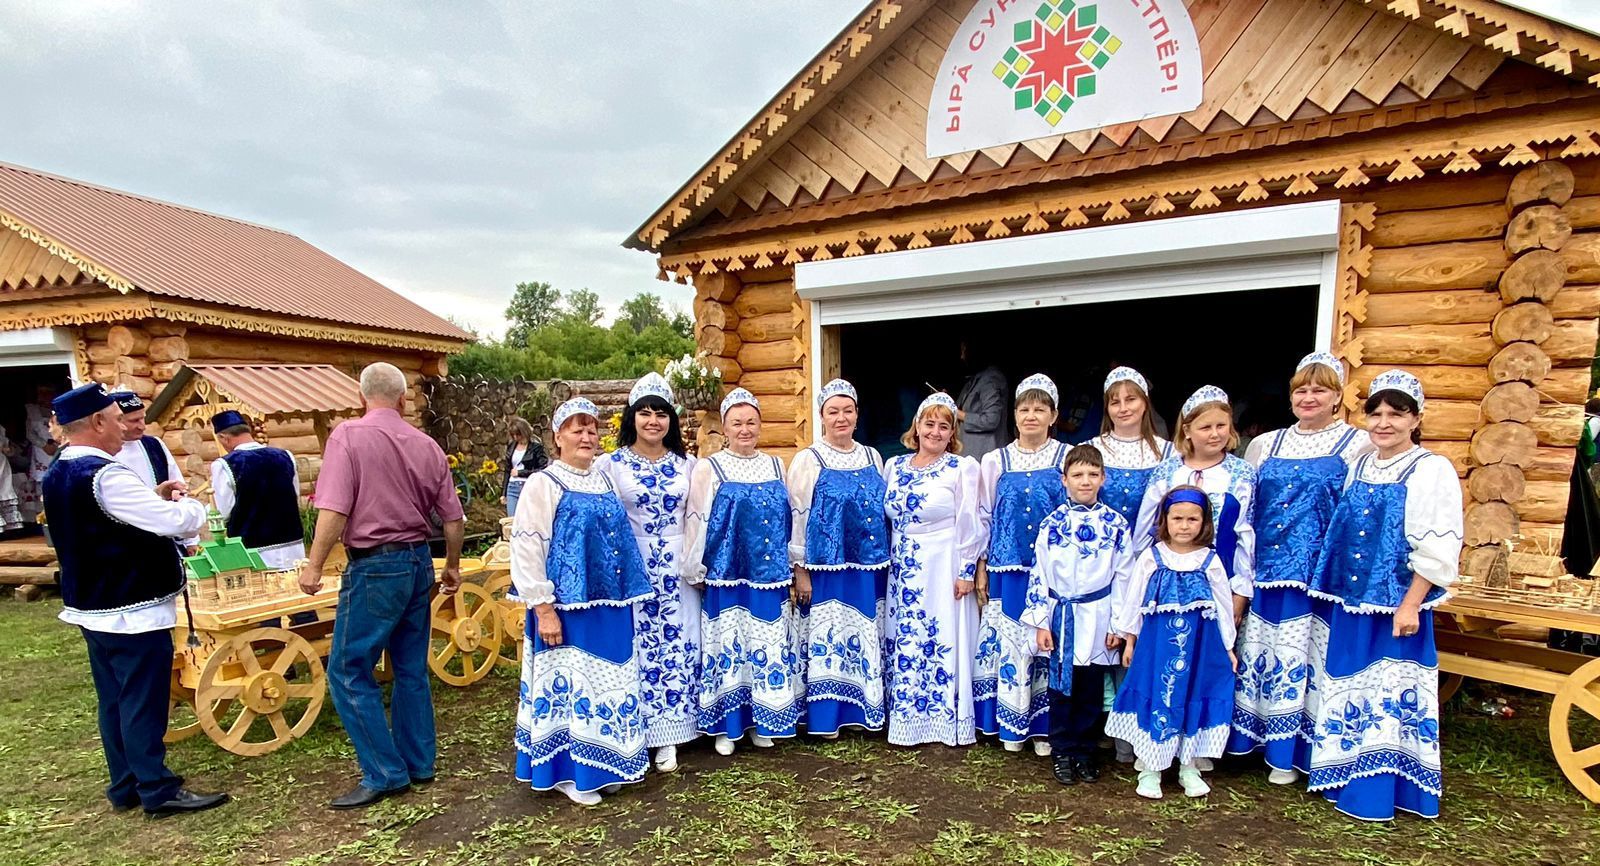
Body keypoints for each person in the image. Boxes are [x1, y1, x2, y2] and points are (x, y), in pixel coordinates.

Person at [43, 382, 229, 817]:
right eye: (113, 418)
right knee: (142, 699)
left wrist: (152, 498)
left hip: (92, 604)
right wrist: (194, 512)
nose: (121, 429)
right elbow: (169, 522)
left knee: (114, 698)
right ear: (97, 422)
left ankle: (126, 782)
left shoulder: (57, 471)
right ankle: (156, 788)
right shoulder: (103, 474)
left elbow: (110, 520)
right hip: (132, 604)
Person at [298, 363, 464, 810]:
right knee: (410, 668)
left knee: (349, 669)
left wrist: (313, 566)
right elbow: (453, 518)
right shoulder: (427, 444)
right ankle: (418, 763)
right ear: (403, 400)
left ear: (361, 396)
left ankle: (385, 773)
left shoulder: (348, 436)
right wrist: (450, 566)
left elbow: (333, 508)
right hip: (417, 562)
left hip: (375, 565)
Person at [1305, 370, 1461, 822]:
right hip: (1353, 599)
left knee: (1390, 691)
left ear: (1416, 418)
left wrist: (1412, 602)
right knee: (1352, 685)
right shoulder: (1360, 463)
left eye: (1396, 414)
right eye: (1376, 414)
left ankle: (1380, 792)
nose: (1383, 423)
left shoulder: (1431, 468)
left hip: (1394, 602)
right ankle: (1347, 776)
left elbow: (1438, 543)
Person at [1228, 353, 1370, 784]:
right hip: (1265, 568)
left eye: (1319, 389)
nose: (1309, 397)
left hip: (1315, 573)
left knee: (1306, 656)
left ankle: (1293, 753)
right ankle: (1254, 741)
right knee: (1262, 652)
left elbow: (1354, 515)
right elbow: (1244, 510)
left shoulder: (1356, 444)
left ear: (1337, 395)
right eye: (1301, 390)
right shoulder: (1264, 444)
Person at [511, 398, 653, 805]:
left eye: (592, 429)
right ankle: (572, 773)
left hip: (611, 602)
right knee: (574, 684)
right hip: (568, 608)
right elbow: (528, 546)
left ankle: (606, 763)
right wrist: (543, 607)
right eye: (577, 429)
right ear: (557, 437)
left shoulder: (604, 480)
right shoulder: (545, 483)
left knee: (610, 681)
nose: (587, 436)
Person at [684, 388, 801, 755]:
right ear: (726, 427)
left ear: (760, 425)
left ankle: (764, 719)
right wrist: (695, 566)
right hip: (727, 571)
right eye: (737, 422)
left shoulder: (775, 465)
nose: (745, 429)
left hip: (768, 573)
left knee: (765, 642)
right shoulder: (710, 467)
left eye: (751, 421)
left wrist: (790, 559)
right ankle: (727, 726)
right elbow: (698, 520)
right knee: (728, 646)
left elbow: (789, 517)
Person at [597, 373, 700, 773]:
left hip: (677, 563)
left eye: (661, 414)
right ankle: (639, 729)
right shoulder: (611, 465)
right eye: (645, 413)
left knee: (679, 640)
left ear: (671, 420)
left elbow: (698, 517)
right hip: (633, 564)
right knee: (641, 644)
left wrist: (696, 561)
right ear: (632, 417)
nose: (653, 421)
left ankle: (675, 733)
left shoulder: (688, 466)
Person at [1108, 486, 1239, 800]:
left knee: (1193, 694)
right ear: (1164, 520)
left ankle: (1188, 765)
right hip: (1156, 650)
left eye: (1192, 519)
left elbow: (1222, 606)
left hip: (1199, 650)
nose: (1184, 525)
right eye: (1177, 518)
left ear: (1204, 522)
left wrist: (1229, 647)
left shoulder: (1210, 561)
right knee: (1159, 695)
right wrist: (1129, 641)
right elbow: (1133, 601)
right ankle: (1151, 767)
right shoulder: (1152, 559)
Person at [1022, 445, 1134, 786]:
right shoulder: (1052, 523)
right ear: (1065, 479)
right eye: (1077, 475)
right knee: (1061, 687)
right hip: (1062, 615)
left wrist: (1119, 625)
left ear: (1103, 478)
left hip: (1098, 615)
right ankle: (1062, 750)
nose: (1085, 481)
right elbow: (1039, 572)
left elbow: (1124, 577)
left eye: (1092, 474)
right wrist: (1041, 620)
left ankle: (1086, 750)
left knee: (1089, 688)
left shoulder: (1115, 524)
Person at [786, 378, 890, 738]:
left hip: (868, 567)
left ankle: (864, 710)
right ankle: (827, 718)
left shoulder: (872, 456)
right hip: (826, 567)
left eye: (848, 410)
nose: (841, 417)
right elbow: (798, 517)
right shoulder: (808, 460)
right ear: (822, 416)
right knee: (830, 637)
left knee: (863, 634)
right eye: (834, 411)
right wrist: (800, 570)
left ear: (857, 415)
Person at [882, 392, 983, 746]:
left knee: (939, 634)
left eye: (945, 426)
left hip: (943, 563)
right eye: (930, 423)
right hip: (901, 564)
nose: (936, 432)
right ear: (917, 426)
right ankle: (906, 716)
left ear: (952, 432)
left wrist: (967, 570)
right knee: (906, 633)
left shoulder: (963, 468)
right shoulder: (893, 467)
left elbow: (972, 520)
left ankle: (941, 718)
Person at [975, 374, 1067, 755]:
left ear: (1053, 415)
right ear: (1014, 415)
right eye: (1024, 408)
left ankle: (1043, 727)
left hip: (1050, 572)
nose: (1032, 416)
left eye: (1040, 409)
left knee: (1044, 644)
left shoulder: (1066, 456)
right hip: (1007, 567)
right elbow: (984, 514)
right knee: (1012, 643)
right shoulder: (996, 459)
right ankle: (1008, 725)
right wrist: (980, 565)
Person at [1090, 367, 1172, 765]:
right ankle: (1106, 727)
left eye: (1131, 399)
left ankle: (1142, 728)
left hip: (1153, 564)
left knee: (1140, 646)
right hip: (1102, 565)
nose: (1123, 408)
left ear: (1145, 403)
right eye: (1115, 401)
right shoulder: (1093, 448)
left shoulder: (1167, 451)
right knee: (1104, 642)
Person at [1135, 386, 1256, 627]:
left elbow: (1246, 534)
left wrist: (1241, 591)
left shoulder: (1242, 474)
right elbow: (1144, 532)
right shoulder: (1167, 472)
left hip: (1219, 582)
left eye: (1221, 426)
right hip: (1168, 582)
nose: (1214, 434)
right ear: (1187, 430)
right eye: (1205, 427)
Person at [209, 410, 306, 568]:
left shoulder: (225, 465)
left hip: (254, 549)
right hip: (292, 544)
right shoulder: (285, 456)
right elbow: (294, 494)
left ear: (223, 438)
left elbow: (223, 511)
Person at [955, 339, 1007, 461]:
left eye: (964, 351)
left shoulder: (990, 379)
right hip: (973, 455)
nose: (962, 357)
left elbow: (991, 420)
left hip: (984, 456)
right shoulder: (977, 378)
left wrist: (959, 414)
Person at [502, 417, 548, 517]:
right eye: (513, 435)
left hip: (529, 486)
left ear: (524, 432)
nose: (515, 438)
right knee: (512, 521)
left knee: (529, 520)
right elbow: (507, 470)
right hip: (512, 487)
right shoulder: (511, 446)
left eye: (518, 434)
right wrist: (504, 492)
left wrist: (521, 472)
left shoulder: (536, 447)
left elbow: (543, 469)